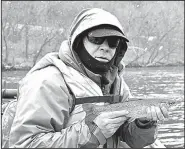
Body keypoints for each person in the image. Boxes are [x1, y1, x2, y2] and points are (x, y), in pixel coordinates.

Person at [9, 8, 169, 148]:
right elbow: (25, 144)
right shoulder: (47, 81)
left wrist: (143, 124)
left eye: (113, 42)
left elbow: (132, 140)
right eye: (96, 39)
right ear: (79, 41)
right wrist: (92, 132)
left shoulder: (117, 83)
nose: (105, 47)